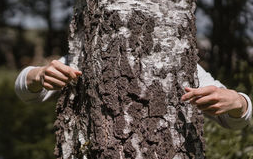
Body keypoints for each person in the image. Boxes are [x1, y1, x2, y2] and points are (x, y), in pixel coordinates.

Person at [15, 56, 252, 130]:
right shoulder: (89, 50)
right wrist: (39, 74)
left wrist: (238, 101)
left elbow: (236, 120)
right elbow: (26, 91)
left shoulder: (176, 57)